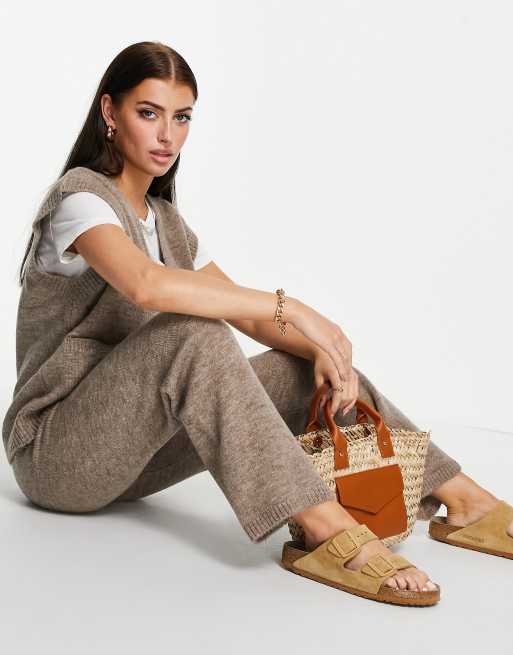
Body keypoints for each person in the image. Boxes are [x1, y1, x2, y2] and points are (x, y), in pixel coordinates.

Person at [3, 41, 511, 608]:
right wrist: (291, 306)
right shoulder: (80, 199)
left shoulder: (167, 223)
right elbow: (146, 285)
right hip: (55, 456)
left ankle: (464, 501)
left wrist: (322, 346)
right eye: (148, 113)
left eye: (182, 117)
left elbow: (243, 311)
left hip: (131, 459)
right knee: (191, 334)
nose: (167, 135)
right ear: (109, 112)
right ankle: (325, 527)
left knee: (301, 369)